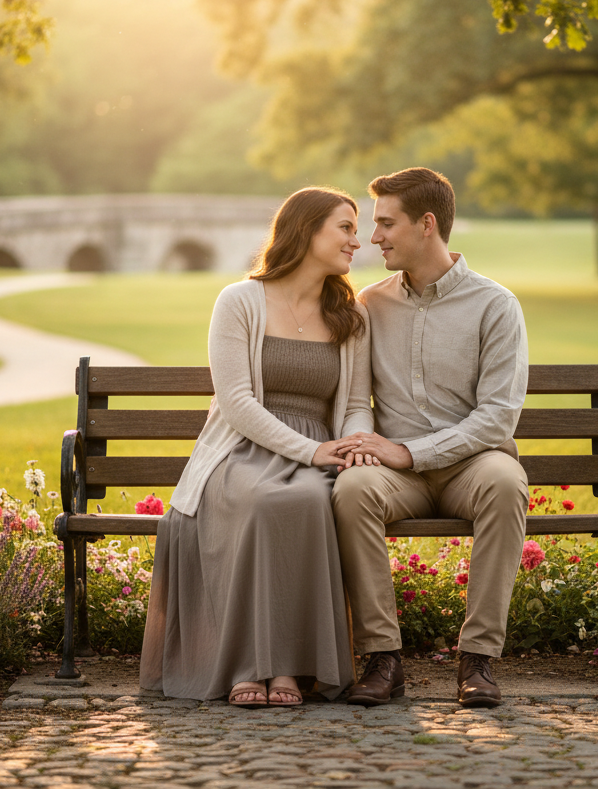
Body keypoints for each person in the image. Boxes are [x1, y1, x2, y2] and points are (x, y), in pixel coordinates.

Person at [139, 187, 378, 707]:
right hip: (241, 450)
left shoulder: (349, 314)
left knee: (308, 500)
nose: (356, 241)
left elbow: (357, 400)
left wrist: (351, 443)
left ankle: (289, 668)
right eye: (344, 227)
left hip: (322, 447)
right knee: (260, 501)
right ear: (306, 230)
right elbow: (238, 403)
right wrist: (310, 453)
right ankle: (248, 665)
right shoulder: (239, 301)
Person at [331, 167, 530, 708]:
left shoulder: (495, 305)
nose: (374, 237)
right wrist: (366, 446)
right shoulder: (369, 304)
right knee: (350, 492)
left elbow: (496, 418)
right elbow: (353, 400)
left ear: (426, 225)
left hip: (474, 464)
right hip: (398, 476)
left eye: (385, 224)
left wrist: (411, 451)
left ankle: (478, 659)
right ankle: (382, 658)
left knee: (506, 485)